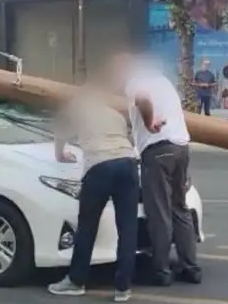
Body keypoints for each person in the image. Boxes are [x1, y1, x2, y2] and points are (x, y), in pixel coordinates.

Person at [47, 75, 139, 303]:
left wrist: (60, 154)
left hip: (99, 165)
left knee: (87, 226)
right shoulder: (113, 108)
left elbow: (60, 131)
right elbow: (129, 135)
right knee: (127, 228)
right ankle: (123, 288)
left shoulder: (78, 105)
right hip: (127, 163)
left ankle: (76, 281)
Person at [112, 53, 201, 286]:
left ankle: (161, 271)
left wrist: (149, 122)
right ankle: (191, 267)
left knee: (159, 211)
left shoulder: (135, 82)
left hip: (158, 149)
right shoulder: (162, 81)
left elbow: (142, 99)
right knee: (179, 207)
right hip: (181, 146)